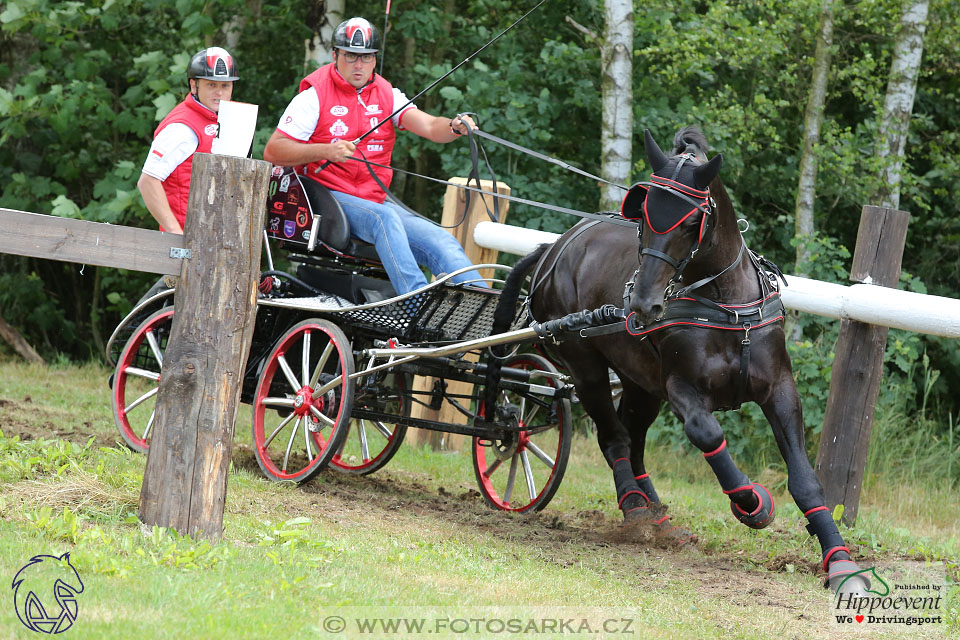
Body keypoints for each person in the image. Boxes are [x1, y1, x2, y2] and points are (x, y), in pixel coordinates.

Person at [262, 17, 484, 295]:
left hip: (375, 200)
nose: (358, 65)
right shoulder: (314, 96)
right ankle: (417, 305)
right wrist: (326, 150)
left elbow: (427, 125)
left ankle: (484, 312)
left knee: (440, 239)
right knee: (385, 220)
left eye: (366, 58)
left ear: (374, 60)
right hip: (331, 197)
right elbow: (273, 150)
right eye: (351, 56)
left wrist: (454, 126)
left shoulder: (387, 94)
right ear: (335, 56)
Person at [138, 46, 238, 234]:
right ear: (194, 85)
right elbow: (148, 181)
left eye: (225, 85)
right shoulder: (182, 127)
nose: (219, 93)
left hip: (213, 237)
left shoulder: (225, 118)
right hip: (186, 240)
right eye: (211, 85)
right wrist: (176, 235)